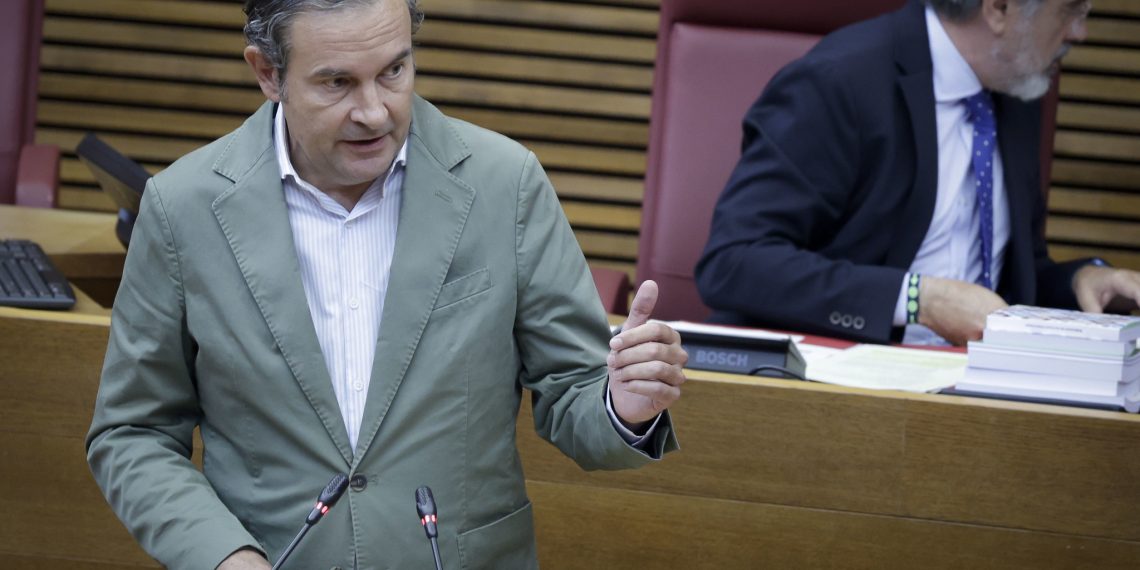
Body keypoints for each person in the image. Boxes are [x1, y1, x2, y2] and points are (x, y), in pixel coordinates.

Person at [85, 1, 688, 568]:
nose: (375, 111)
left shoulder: (505, 184)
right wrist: (221, 555)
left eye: (394, 70)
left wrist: (622, 406)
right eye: (337, 83)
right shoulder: (183, 207)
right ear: (268, 73)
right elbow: (132, 432)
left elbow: (573, 389)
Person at [695, 0, 1140, 346]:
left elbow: (998, 280)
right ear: (999, 9)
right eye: (1071, 9)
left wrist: (1082, 280)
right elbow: (734, 262)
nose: (1080, 31)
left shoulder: (1018, 89)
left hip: (978, 386)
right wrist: (917, 300)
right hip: (841, 383)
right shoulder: (839, 81)